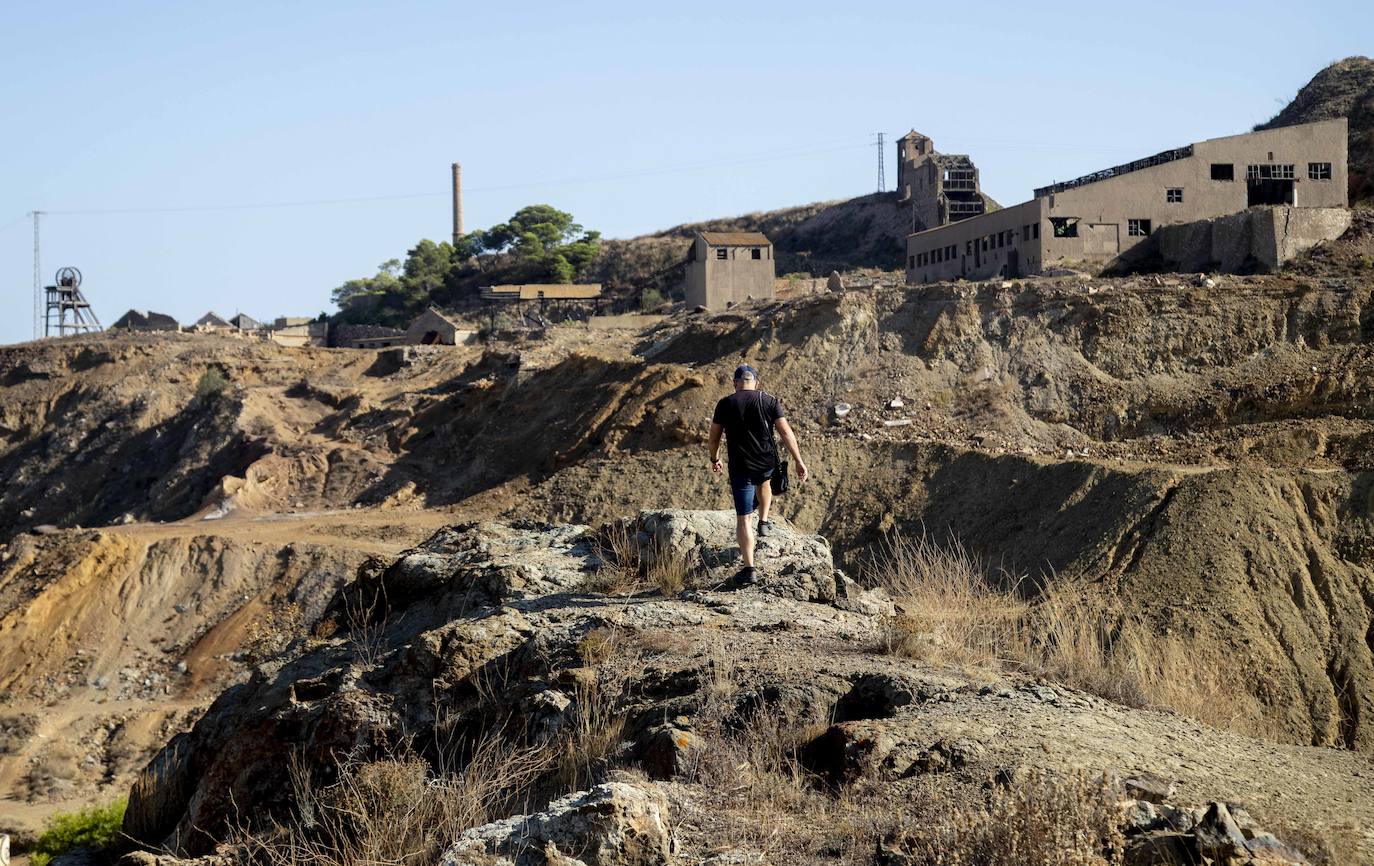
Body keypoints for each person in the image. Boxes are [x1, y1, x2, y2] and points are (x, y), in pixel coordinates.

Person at [707, 364, 809, 585]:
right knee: (764, 483)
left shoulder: (725, 404)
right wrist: (799, 461)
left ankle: (749, 569)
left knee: (744, 518)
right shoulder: (769, 400)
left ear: (735, 383)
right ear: (756, 383)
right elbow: (785, 432)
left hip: (740, 466)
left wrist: (715, 458)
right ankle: (763, 521)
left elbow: (714, 436)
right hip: (765, 462)